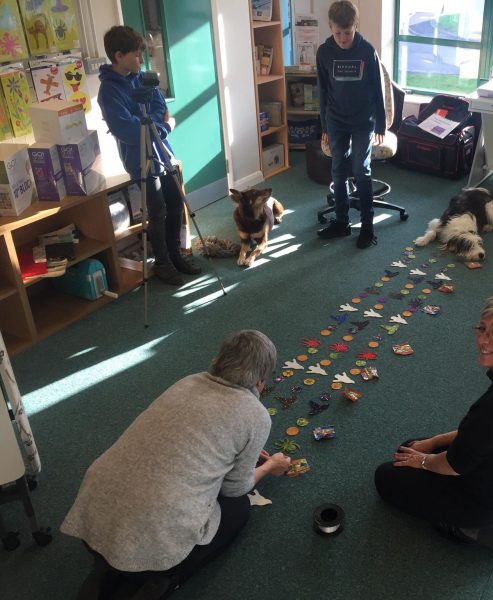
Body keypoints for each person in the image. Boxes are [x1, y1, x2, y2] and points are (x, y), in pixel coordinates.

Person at [61, 330, 291, 599]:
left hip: (91, 524)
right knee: (238, 508)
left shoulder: (188, 381)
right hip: (154, 545)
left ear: (217, 361)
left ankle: (107, 571)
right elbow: (234, 489)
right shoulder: (257, 416)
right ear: (260, 383)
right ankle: (167, 578)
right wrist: (269, 467)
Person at [374, 292, 493, 556]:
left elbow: (454, 465)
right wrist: (431, 443)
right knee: (408, 447)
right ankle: (478, 516)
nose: (482, 339)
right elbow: (479, 433)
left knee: (385, 477)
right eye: (482, 328)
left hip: (483, 502)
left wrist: (422, 461)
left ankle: (470, 528)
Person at [98, 25, 200, 286]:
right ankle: (163, 263)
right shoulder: (108, 92)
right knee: (157, 210)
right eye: (135, 55)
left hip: (163, 153)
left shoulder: (143, 77)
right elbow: (129, 131)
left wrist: (153, 126)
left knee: (175, 203)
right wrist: (163, 127)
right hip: (139, 159)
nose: (140, 60)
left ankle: (175, 254)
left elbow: (160, 108)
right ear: (119, 56)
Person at [315, 0, 386, 249]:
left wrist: (381, 123)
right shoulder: (324, 53)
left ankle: (367, 226)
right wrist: (324, 125)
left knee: (361, 170)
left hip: (363, 120)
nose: (343, 38)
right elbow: (323, 91)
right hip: (335, 119)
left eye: (347, 32)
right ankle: (341, 221)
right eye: (338, 33)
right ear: (330, 28)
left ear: (355, 26)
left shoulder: (367, 51)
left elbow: (378, 89)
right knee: (338, 169)